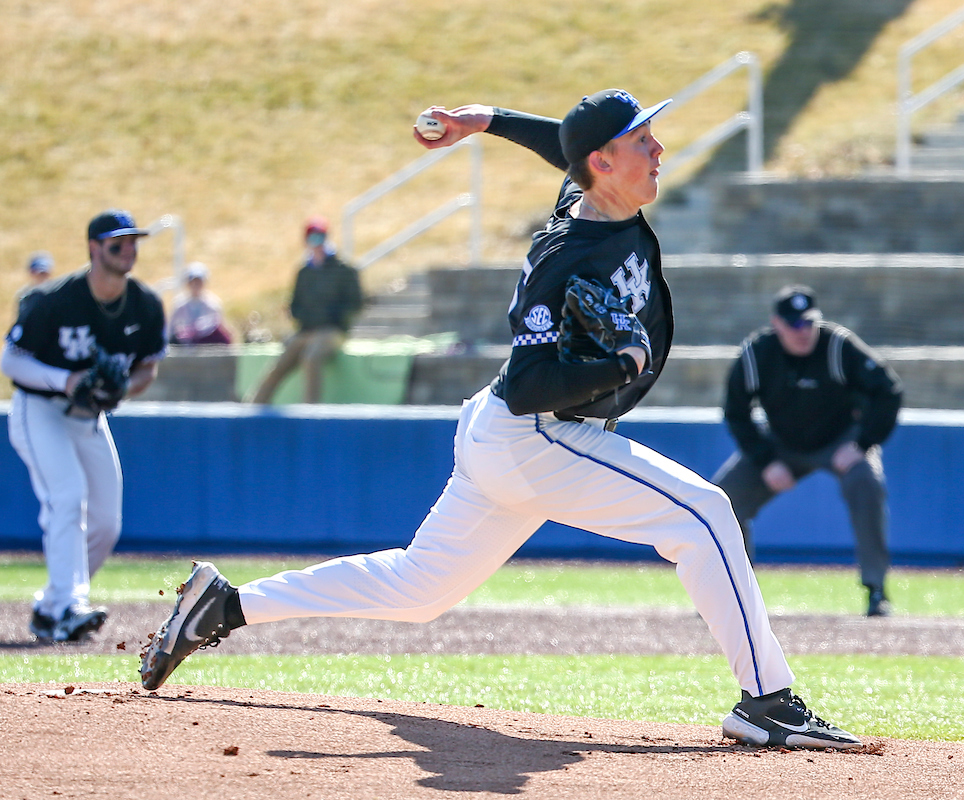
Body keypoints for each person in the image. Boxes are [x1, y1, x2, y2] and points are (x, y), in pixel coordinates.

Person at [140, 89, 866, 752]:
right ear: (605, 164)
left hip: (505, 439)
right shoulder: (565, 257)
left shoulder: (591, 190)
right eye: (644, 139)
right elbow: (528, 386)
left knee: (418, 589)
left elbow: (565, 145)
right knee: (705, 515)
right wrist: (621, 366)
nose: (659, 149)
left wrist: (484, 120)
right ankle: (767, 701)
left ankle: (227, 606)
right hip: (536, 433)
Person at [3, 210, 167, 641]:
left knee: (106, 522)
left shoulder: (145, 304)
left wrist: (123, 389)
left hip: (88, 416)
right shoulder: (56, 299)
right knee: (67, 495)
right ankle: (66, 606)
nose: (128, 250)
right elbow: (10, 359)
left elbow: (147, 368)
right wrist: (68, 380)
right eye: (118, 243)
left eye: (133, 243)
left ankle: (51, 606)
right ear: (94, 247)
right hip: (39, 408)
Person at [712, 287, 903, 617]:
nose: (803, 333)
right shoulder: (758, 354)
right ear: (777, 324)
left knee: (866, 482)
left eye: (808, 323)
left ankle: (876, 589)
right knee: (721, 499)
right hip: (781, 443)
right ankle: (734, 593)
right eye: (793, 325)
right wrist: (766, 459)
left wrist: (861, 444)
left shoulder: (838, 345)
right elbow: (736, 412)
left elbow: (889, 390)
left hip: (840, 441)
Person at [246, 216, 363, 403]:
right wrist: (302, 317)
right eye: (311, 238)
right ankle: (253, 406)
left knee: (311, 357)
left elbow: (355, 304)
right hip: (307, 331)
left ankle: (310, 410)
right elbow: (295, 304)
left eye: (319, 237)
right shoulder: (304, 272)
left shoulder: (343, 270)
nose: (316, 243)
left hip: (333, 331)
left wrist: (332, 316)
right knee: (282, 360)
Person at [168, 262, 233, 345]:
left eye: (199, 282)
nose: (196, 285)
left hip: (206, 348)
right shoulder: (179, 304)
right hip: (184, 349)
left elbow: (221, 327)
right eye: (193, 282)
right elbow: (170, 330)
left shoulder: (213, 304)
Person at [15, 251, 55, 316]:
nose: (41, 277)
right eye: (38, 274)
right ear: (31, 273)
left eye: (44, 274)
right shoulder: (24, 295)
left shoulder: (56, 293)